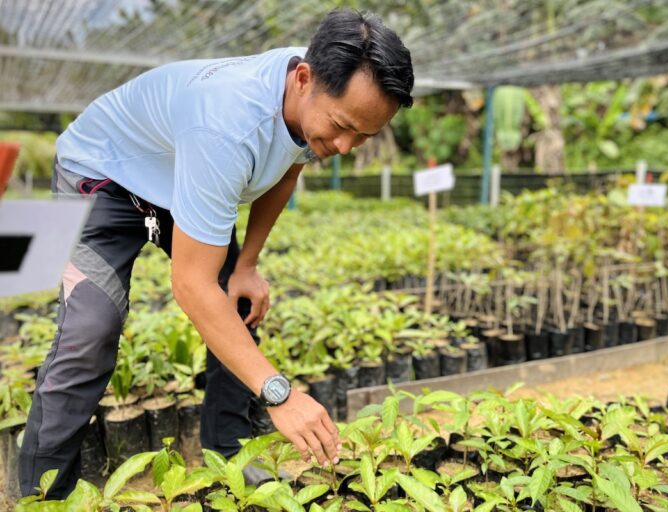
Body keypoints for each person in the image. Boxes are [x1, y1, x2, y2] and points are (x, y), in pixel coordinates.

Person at [19, 8, 414, 498]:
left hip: (180, 178)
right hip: (102, 175)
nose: (345, 146)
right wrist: (280, 392)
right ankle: (40, 495)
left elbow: (290, 164)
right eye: (340, 127)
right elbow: (190, 286)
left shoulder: (309, 102)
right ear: (304, 79)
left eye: (363, 135)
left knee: (237, 303)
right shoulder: (227, 122)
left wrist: (247, 266)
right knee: (90, 329)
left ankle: (230, 453)